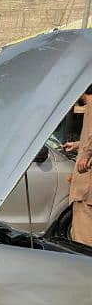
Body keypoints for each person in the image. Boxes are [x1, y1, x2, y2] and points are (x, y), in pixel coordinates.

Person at [64, 85, 92, 246]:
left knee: (82, 233)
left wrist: (86, 155)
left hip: (86, 179)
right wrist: (76, 145)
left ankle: (83, 265)